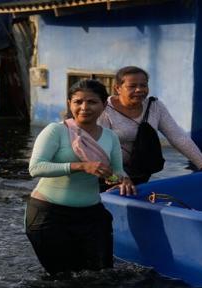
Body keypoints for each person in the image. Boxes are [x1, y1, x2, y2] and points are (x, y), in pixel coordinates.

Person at [26, 78, 136, 275]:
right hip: (49, 215)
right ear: (70, 104)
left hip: (91, 215)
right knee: (63, 279)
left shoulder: (110, 137)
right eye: (78, 102)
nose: (84, 107)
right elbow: (36, 168)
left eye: (92, 102)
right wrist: (80, 166)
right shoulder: (56, 131)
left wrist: (122, 179)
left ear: (104, 105)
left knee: (100, 275)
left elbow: (116, 172)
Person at [97, 66, 202, 185]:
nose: (139, 90)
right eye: (132, 86)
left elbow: (177, 136)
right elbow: (98, 151)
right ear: (118, 88)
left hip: (140, 172)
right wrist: (118, 177)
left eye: (143, 85)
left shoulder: (154, 106)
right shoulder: (104, 110)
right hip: (108, 175)